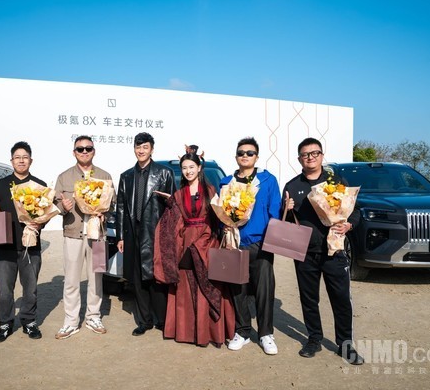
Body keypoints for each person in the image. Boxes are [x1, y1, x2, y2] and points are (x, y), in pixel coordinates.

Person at [282, 137, 364, 365]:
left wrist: (348, 226)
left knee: (341, 299)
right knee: (309, 299)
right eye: (305, 154)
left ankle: (345, 344)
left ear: (322, 155)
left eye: (314, 153)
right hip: (304, 251)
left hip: (334, 250)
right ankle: (314, 339)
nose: (310, 157)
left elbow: (355, 211)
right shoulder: (292, 186)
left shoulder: (336, 182)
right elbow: (285, 222)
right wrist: (286, 209)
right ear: (299, 159)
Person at [153, 152, 235, 347]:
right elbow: (174, 221)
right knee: (184, 287)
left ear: (199, 168)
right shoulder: (179, 194)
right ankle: (186, 332)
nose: (188, 171)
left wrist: (213, 235)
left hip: (207, 242)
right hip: (185, 244)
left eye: (191, 167)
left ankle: (209, 333)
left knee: (208, 285)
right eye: (184, 168)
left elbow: (218, 219)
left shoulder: (210, 191)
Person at [220, 137, 281, 355]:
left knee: (264, 289)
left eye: (250, 153)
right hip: (235, 243)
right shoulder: (226, 183)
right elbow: (220, 212)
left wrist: (271, 240)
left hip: (260, 243)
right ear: (236, 156)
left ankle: (266, 333)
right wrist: (225, 230)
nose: (245, 156)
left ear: (257, 156)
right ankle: (243, 331)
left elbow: (275, 210)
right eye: (241, 153)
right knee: (238, 290)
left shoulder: (267, 180)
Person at [53, 135, 116, 339]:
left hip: (98, 235)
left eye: (88, 148)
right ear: (74, 152)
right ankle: (71, 321)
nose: (84, 151)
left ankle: (93, 316)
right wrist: (64, 207)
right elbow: (54, 204)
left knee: (96, 277)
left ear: (94, 151)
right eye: (80, 149)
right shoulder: (64, 177)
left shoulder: (105, 176)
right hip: (73, 234)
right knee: (71, 280)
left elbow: (112, 204)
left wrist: (104, 213)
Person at [116, 132, 176, 336]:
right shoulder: (126, 176)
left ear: (152, 149)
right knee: (138, 278)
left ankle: (162, 320)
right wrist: (121, 236)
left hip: (155, 232)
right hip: (133, 232)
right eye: (138, 147)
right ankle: (144, 321)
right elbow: (121, 207)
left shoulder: (164, 173)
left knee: (156, 277)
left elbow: (173, 205)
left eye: (145, 147)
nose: (141, 151)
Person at [0, 141, 46, 343]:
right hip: (5, 246)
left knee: (30, 289)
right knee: (5, 290)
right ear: (11, 160)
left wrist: (39, 224)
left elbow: (45, 214)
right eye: (17, 157)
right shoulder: (0, 185)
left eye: (25, 157)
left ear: (31, 160)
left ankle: (29, 321)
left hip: (31, 246)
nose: (21, 161)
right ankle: (5, 323)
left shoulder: (39, 185)